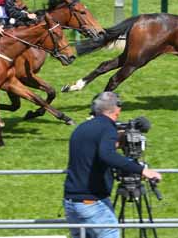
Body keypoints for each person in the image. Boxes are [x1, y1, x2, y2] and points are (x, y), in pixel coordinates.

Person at [63, 91, 162, 238]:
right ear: (117, 110)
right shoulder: (107, 128)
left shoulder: (81, 128)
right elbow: (107, 155)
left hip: (71, 201)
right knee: (110, 233)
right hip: (91, 202)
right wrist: (142, 170)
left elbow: (93, 153)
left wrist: (113, 143)